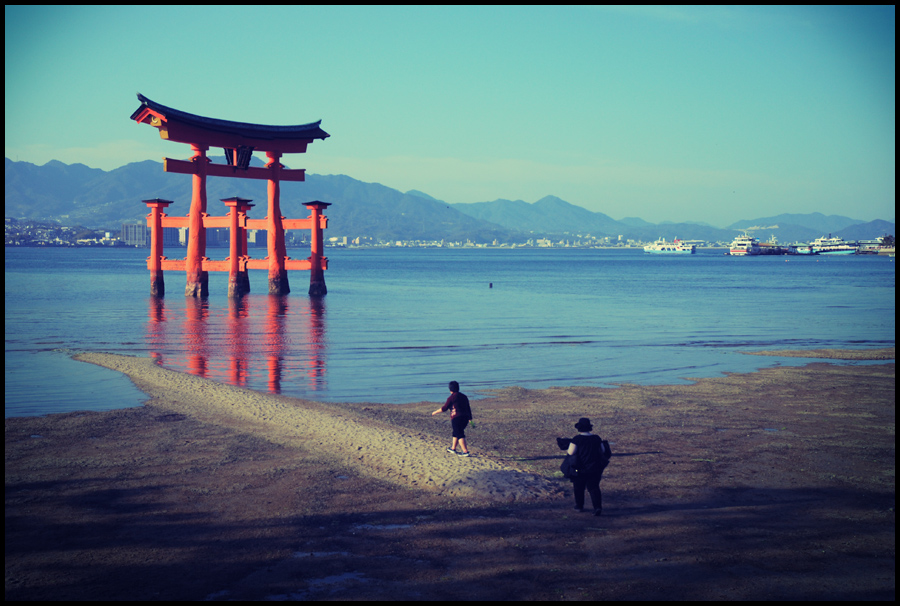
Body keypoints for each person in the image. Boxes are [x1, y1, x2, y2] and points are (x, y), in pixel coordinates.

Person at [567, 417, 608, 516]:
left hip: (581, 468)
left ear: (579, 428)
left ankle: (579, 506)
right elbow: (603, 451)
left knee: (578, 487)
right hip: (595, 468)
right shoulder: (596, 438)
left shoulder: (577, 439)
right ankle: (597, 507)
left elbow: (570, 452)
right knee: (594, 488)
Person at [431, 380, 473, 456]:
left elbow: (444, 408)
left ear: (450, 390)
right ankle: (453, 448)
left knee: (459, 434)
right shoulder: (464, 396)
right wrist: (470, 418)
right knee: (455, 432)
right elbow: (468, 407)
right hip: (465, 418)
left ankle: (465, 451)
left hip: (456, 418)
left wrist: (435, 412)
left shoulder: (451, 398)